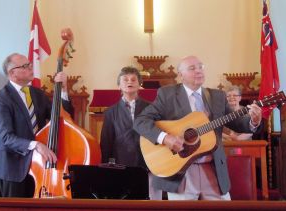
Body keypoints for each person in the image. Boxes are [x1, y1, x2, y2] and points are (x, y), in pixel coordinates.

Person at [133, 55, 262, 200]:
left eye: (201, 67)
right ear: (181, 75)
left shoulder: (217, 96)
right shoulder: (167, 94)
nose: (199, 71)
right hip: (181, 172)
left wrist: (253, 121)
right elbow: (140, 121)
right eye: (192, 68)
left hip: (213, 170)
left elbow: (237, 122)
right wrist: (165, 138)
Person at [0, 53, 74, 197]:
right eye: (25, 66)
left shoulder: (38, 94)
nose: (31, 68)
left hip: (39, 167)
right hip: (13, 168)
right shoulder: (1, 99)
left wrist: (64, 89)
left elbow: (64, 118)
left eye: (30, 64)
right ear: (12, 73)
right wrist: (36, 145)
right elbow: (6, 138)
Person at [100, 66, 161, 200]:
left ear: (140, 84)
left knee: (152, 204)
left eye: (134, 79)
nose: (130, 82)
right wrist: (107, 168)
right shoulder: (111, 112)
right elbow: (106, 142)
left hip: (149, 164)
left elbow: (159, 134)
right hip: (122, 166)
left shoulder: (151, 108)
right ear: (119, 86)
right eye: (125, 79)